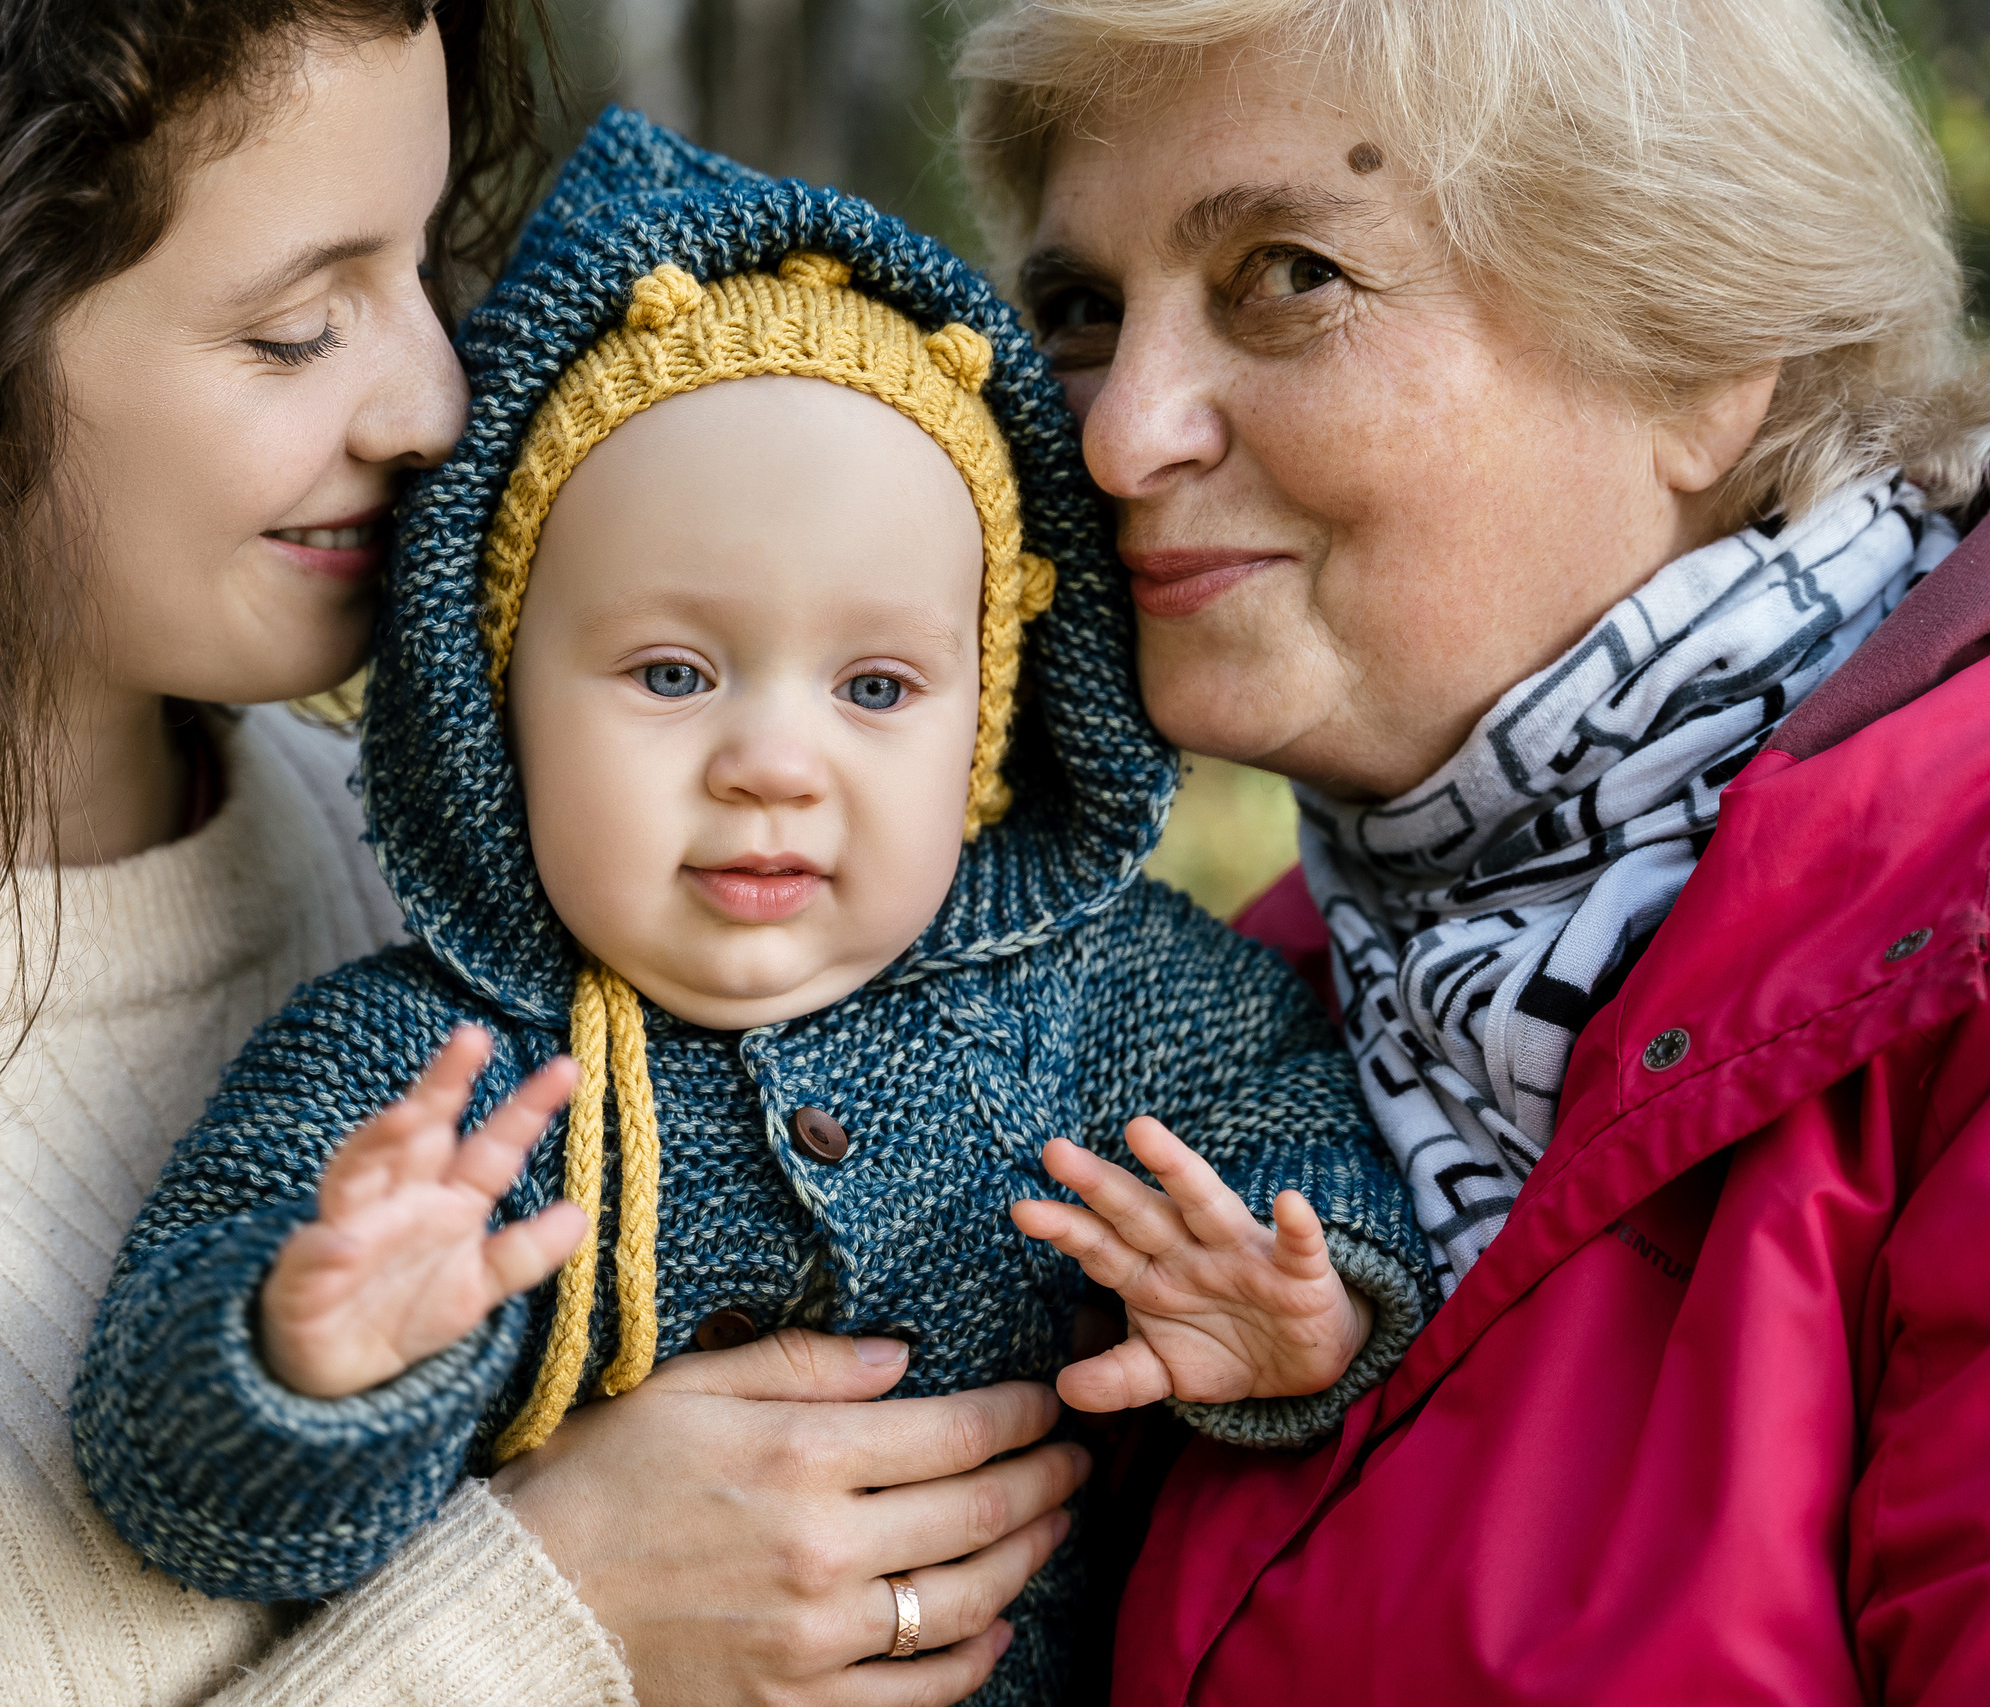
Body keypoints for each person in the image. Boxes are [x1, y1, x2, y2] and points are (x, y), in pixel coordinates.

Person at [0, 8, 1091, 1705]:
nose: (436, 402)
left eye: (426, 263)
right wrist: (562, 1615)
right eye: (298, 328)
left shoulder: (496, 874)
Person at [70, 112, 1433, 1707]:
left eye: (875, 685)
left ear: (983, 732)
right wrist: (313, 1361)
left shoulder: (1102, 994)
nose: (773, 765)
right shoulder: (414, 1075)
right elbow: (170, 1488)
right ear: (496, 705)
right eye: (671, 673)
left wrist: (1309, 1298)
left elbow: (1291, 1119)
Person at [954, 0, 1990, 1698]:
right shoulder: (1250, 1003)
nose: (1124, 436)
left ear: (1699, 343)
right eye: (1077, 310)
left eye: (1288, 274)